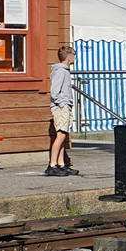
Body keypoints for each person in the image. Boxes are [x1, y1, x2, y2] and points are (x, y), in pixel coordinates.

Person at [47, 45, 79, 176]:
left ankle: (61, 164)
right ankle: (52, 165)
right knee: (60, 136)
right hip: (61, 106)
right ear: (69, 57)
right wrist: (62, 104)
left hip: (65, 105)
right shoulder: (60, 71)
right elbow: (55, 91)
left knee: (63, 135)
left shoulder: (65, 70)